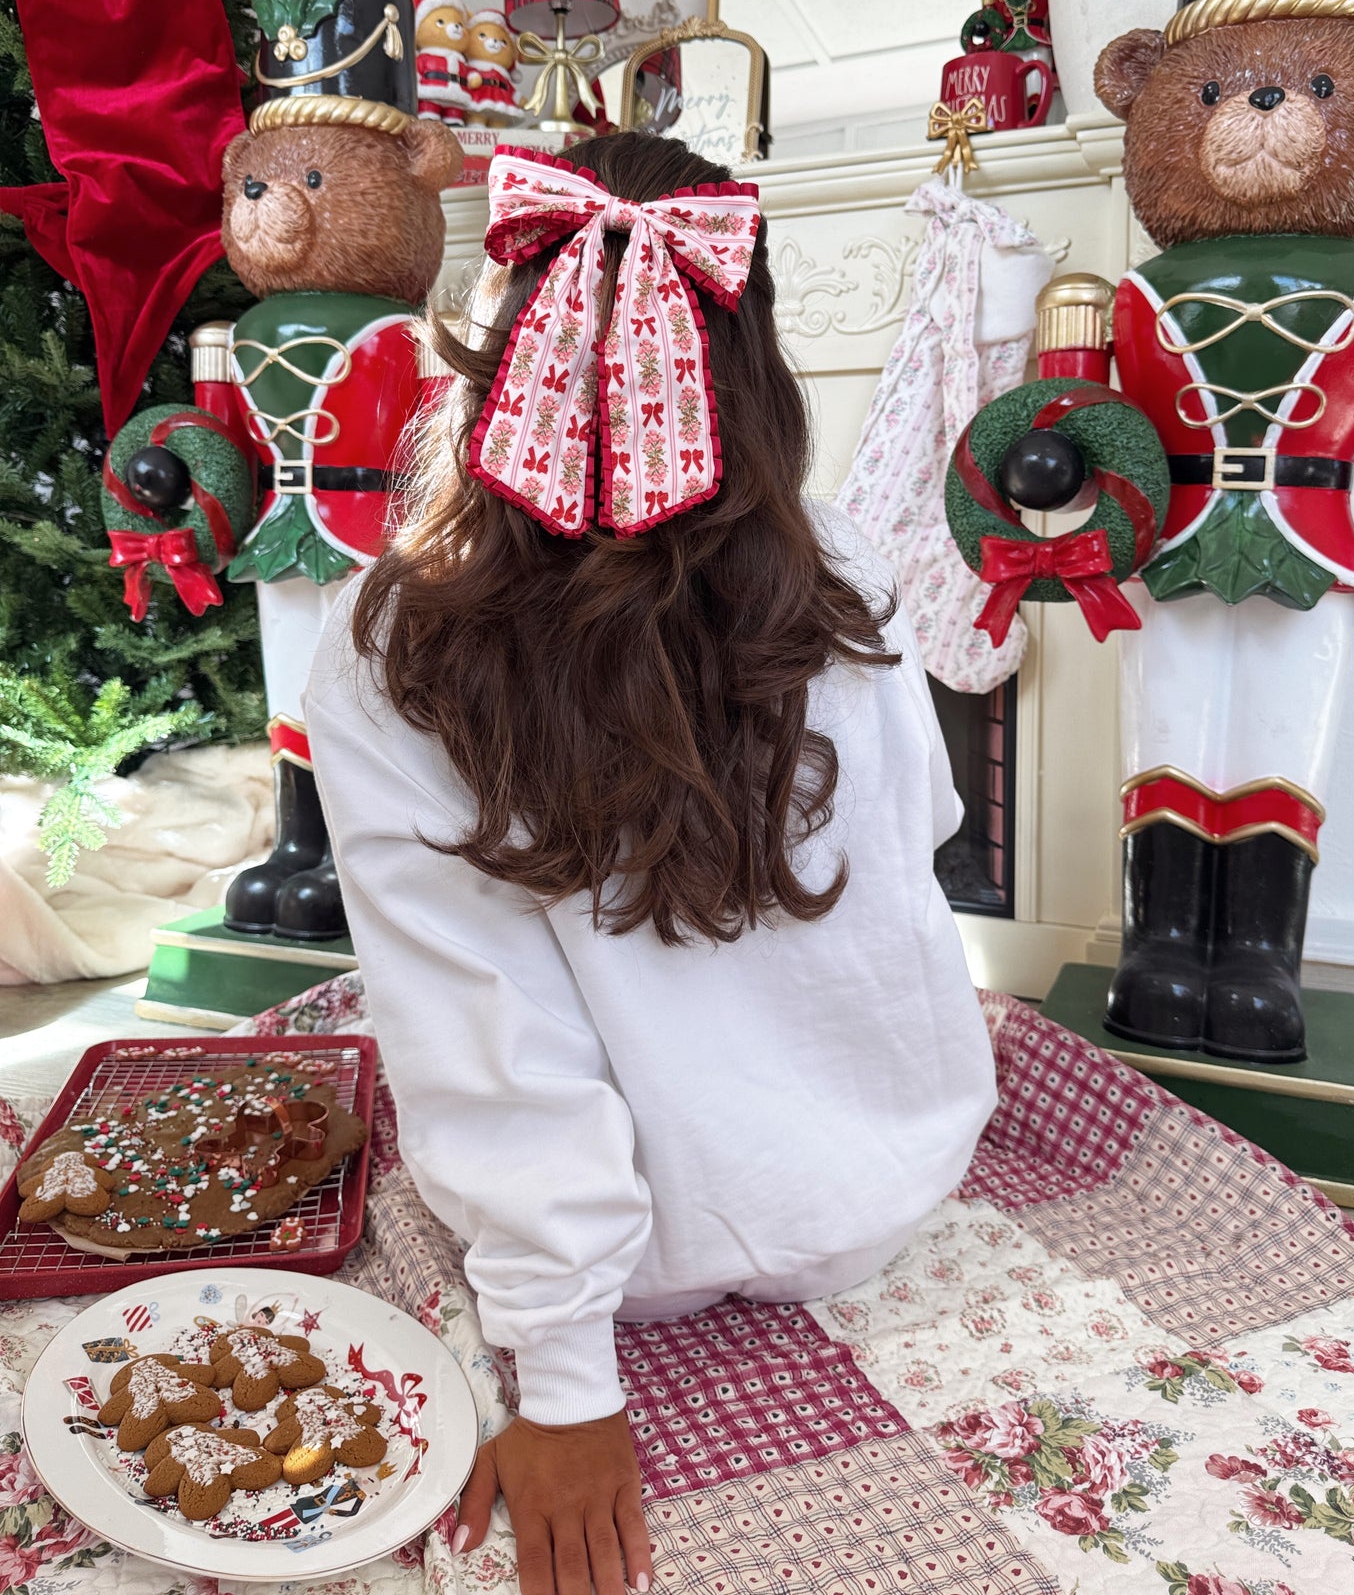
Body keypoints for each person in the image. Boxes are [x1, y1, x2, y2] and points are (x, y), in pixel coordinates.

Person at [306, 133, 998, 1595]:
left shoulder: (395, 639)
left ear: (498, 346)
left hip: (640, 1270)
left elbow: (486, 1036)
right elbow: (930, 833)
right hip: (889, 1177)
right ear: (754, 371)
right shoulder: (848, 569)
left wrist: (565, 1389)